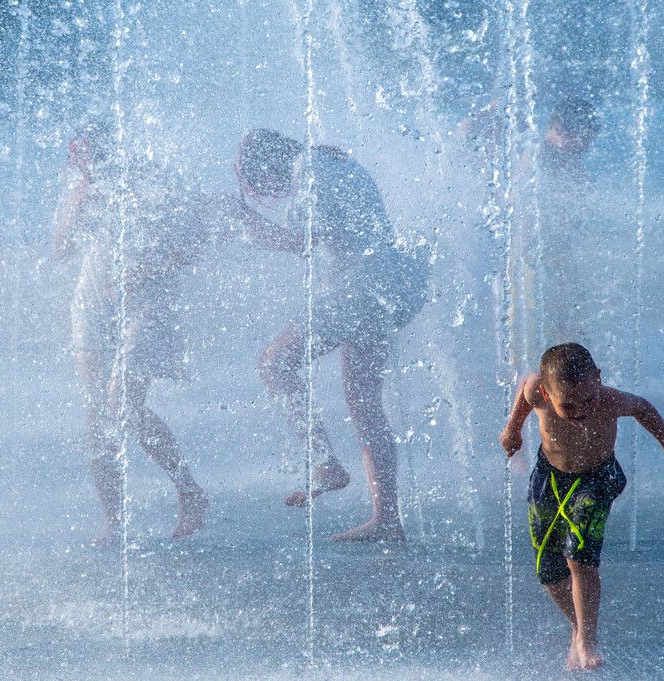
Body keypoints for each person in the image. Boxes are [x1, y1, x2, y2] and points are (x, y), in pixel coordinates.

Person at [229, 129, 428, 542]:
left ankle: (325, 463)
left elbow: (299, 243)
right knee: (363, 401)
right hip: (386, 286)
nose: (268, 190)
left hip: (358, 291)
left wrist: (243, 219)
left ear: (269, 164)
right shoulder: (333, 163)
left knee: (275, 363)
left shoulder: (310, 172)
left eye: (260, 180)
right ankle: (387, 519)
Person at [498, 343, 664, 671]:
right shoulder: (537, 390)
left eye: (588, 398)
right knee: (549, 571)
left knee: (579, 558)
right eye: (569, 405)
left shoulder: (610, 400)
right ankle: (576, 626)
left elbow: (643, 409)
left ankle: (587, 639)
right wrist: (512, 430)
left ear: (598, 380)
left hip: (598, 477)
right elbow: (524, 392)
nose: (581, 411)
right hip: (549, 478)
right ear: (546, 395)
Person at [53, 122, 209, 542]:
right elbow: (61, 250)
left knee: (121, 403)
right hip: (93, 301)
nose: (84, 165)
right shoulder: (81, 190)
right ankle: (114, 519)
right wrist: (79, 200)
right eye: (78, 160)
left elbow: (195, 242)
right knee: (96, 413)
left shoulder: (151, 179)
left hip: (148, 300)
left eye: (89, 156)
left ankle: (190, 492)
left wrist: (144, 270)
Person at [459, 96, 601, 363]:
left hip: (557, 261)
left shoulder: (561, 158)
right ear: (559, 127)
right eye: (584, 138)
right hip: (531, 266)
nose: (586, 147)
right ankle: (537, 399)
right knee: (539, 344)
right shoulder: (538, 155)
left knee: (569, 341)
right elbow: (514, 205)